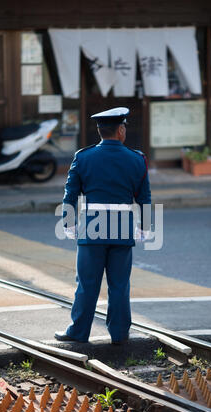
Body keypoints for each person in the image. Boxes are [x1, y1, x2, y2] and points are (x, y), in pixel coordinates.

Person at [54, 107, 151, 345]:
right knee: (119, 285)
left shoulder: (83, 157)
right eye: (124, 127)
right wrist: (145, 228)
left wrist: (68, 224)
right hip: (122, 230)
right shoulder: (137, 159)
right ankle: (119, 334)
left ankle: (78, 332)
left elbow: (70, 194)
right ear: (120, 130)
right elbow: (145, 198)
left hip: (91, 230)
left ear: (100, 131)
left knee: (87, 284)